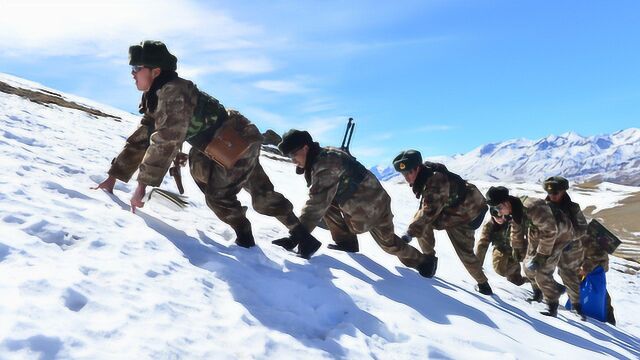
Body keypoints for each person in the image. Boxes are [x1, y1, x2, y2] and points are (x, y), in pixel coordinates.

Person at [93, 40, 319, 257]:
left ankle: (245, 238)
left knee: (221, 197)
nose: (132, 73)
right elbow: (142, 138)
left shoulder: (174, 92)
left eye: (137, 67)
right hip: (218, 145)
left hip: (236, 143)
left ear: (155, 71)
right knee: (256, 192)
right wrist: (114, 177)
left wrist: (142, 186)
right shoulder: (156, 95)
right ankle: (304, 238)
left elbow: (165, 140)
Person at [274, 130, 434, 274]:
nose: (293, 160)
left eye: (293, 155)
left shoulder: (326, 164)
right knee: (387, 242)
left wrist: (296, 236)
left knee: (388, 242)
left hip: (370, 209)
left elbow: (316, 203)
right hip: (371, 201)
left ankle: (424, 262)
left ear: (305, 148)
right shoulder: (323, 156)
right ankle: (347, 242)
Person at [393, 150, 493, 295]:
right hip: (450, 212)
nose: (407, 178)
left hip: (467, 215)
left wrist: (409, 233)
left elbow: (428, 211)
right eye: (404, 174)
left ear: (418, 168)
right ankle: (429, 260)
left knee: (465, 254)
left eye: (409, 173)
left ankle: (483, 284)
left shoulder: (436, 181)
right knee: (421, 222)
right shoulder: (426, 176)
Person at [486, 186, 574, 316]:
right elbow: (516, 227)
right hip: (537, 231)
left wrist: (542, 256)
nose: (499, 213)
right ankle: (538, 293)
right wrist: (516, 248)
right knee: (527, 266)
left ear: (505, 203)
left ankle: (552, 305)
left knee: (542, 271)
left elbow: (551, 232)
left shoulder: (532, 208)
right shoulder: (515, 208)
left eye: (498, 208)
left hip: (559, 235)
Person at [543, 176, 614, 323]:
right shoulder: (545, 209)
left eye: (556, 193)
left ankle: (608, 322)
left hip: (589, 261)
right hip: (569, 260)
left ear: (563, 191)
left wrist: (586, 267)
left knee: (597, 291)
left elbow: (597, 253)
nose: (552, 196)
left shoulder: (578, 221)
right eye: (550, 193)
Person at [475, 210, 527, 286]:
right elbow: (482, 244)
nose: (500, 219)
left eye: (501, 216)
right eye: (497, 217)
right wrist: (478, 265)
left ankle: (535, 284)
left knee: (531, 263)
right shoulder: (489, 225)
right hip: (501, 250)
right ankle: (515, 277)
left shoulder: (513, 220)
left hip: (518, 248)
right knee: (499, 270)